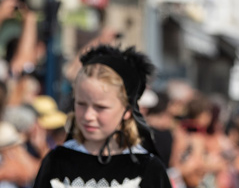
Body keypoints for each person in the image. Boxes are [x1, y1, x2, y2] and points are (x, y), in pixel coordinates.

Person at [31, 45, 171, 187]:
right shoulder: (57, 162)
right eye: (81, 104)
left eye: (100, 107)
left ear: (127, 110)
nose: (88, 115)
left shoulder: (147, 168)